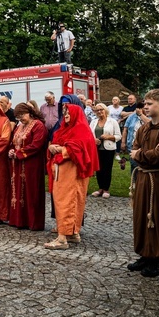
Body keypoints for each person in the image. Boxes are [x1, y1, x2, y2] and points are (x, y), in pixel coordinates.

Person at [127, 89, 159, 277]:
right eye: (145, 104)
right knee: (141, 215)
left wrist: (141, 155)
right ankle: (145, 254)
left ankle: (158, 260)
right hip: (143, 177)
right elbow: (134, 149)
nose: (145, 107)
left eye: (149, 104)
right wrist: (141, 155)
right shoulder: (144, 128)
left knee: (157, 216)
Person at [45, 104, 99, 249]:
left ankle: (62, 238)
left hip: (73, 171)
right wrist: (52, 147)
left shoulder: (81, 129)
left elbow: (80, 148)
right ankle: (73, 233)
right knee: (67, 199)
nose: (66, 114)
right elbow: (56, 142)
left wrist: (61, 149)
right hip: (62, 170)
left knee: (67, 200)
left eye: (69, 112)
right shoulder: (65, 129)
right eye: (65, 112)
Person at [8, 102, 48, 231]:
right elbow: (14, 142)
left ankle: (33, 221)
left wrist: (19, 153)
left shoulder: (38, 126)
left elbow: (37, 145)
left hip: (32, 164)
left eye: (22, 115)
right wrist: (12, 150)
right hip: (18, 164)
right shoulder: (19, 126)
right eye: (18, 116)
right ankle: (19, 220)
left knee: (31, 192)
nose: (20, 118)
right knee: (18, 191)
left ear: (30, 113)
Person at [90, 103, 122, 198]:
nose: (99, 112)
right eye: (97, 110)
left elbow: (118, 136)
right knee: (98, 169)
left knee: (107, 169)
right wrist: (93, 140)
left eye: (101, 109)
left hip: (108, 148)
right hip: (96, 148)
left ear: (105, 110)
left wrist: (108, 137)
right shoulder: (93, 122)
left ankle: (106, 189)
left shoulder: (112, 122)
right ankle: (100, 188)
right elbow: (89, 134)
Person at [121, 102, 148, 172]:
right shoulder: (132, 116)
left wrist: (141, 114)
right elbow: (125, 129)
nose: (140, 109)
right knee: (134, 165)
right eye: (139, 108)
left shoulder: (150, 116)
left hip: (146, 145)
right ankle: (134, 181)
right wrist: (123, 142)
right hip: (133, 144)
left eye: (142, 108)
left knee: (144, 166)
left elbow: (150, 123)